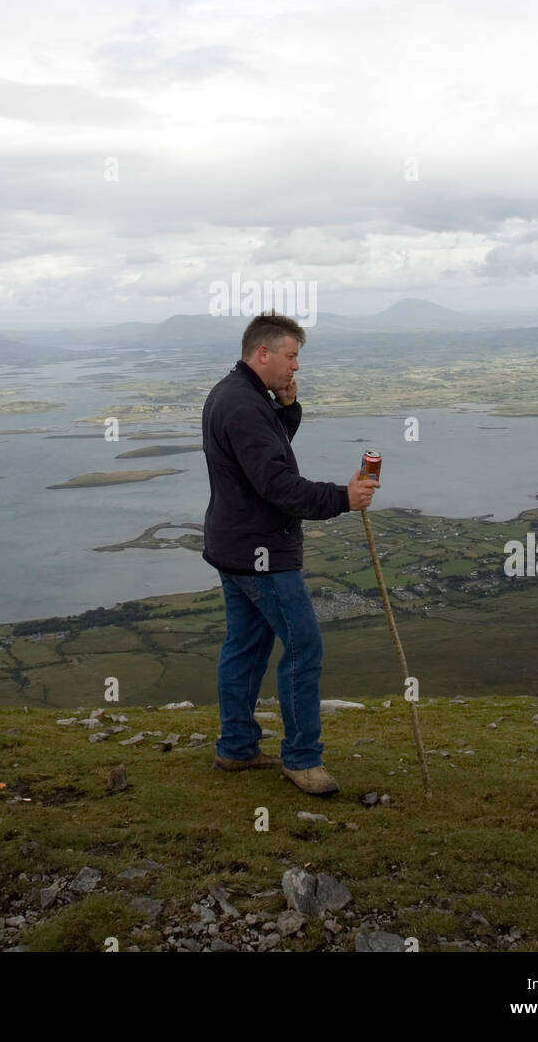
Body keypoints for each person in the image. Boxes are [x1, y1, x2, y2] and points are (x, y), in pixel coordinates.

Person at [201, 310, 379, 795]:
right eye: (291, 357)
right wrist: (343, 498)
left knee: (245, 648)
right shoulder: (243, 406)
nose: (295, 367)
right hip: (260, 552)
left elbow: (262, 455)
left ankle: (236, 747)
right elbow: (276, 483)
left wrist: (286, 408)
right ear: (264, 353)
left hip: (233, 546)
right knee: (304, 646)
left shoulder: (235, 395)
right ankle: (302, 759)